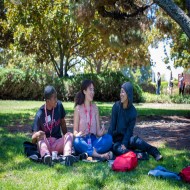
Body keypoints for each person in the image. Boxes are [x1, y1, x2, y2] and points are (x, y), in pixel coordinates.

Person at [108, 82, 163, 161]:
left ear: (128, 94)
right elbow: (112, 126)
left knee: (136, 140)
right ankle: (139, 155)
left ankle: (154, 152)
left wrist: (124, 143)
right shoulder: (116, 106)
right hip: (116, 141)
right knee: (117, 149)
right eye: (120, 92)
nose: (121, 94)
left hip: (127, 139)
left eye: (123, 92)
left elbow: (129, 131)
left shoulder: (133, 111)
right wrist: (108, 141)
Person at [32, 85, 76, 166]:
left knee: (69, 135)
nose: (57, 100)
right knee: (40, 138)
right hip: (46, 143)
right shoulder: (40, 114)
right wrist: (37, 135)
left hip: (57, 142)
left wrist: (66, 137)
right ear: (48, 101)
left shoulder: (59, 106)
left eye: (56, 97)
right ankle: (46, 157)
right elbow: (33, 138)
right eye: (54, 98)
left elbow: (63, 123)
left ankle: (66, 157)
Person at [73, 79, 113, 160]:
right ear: (84, 91)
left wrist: (101, 132)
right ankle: (100, 155)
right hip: (83, 140)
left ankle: (89, 153)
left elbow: (98, 132)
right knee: (76, 142)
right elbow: (74, 131)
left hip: (94, 140)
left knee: (109, 138)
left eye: (93, 90)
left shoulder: (95, 108)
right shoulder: (78, 109)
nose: (93, 92)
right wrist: (77, 135)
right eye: (90, 89)